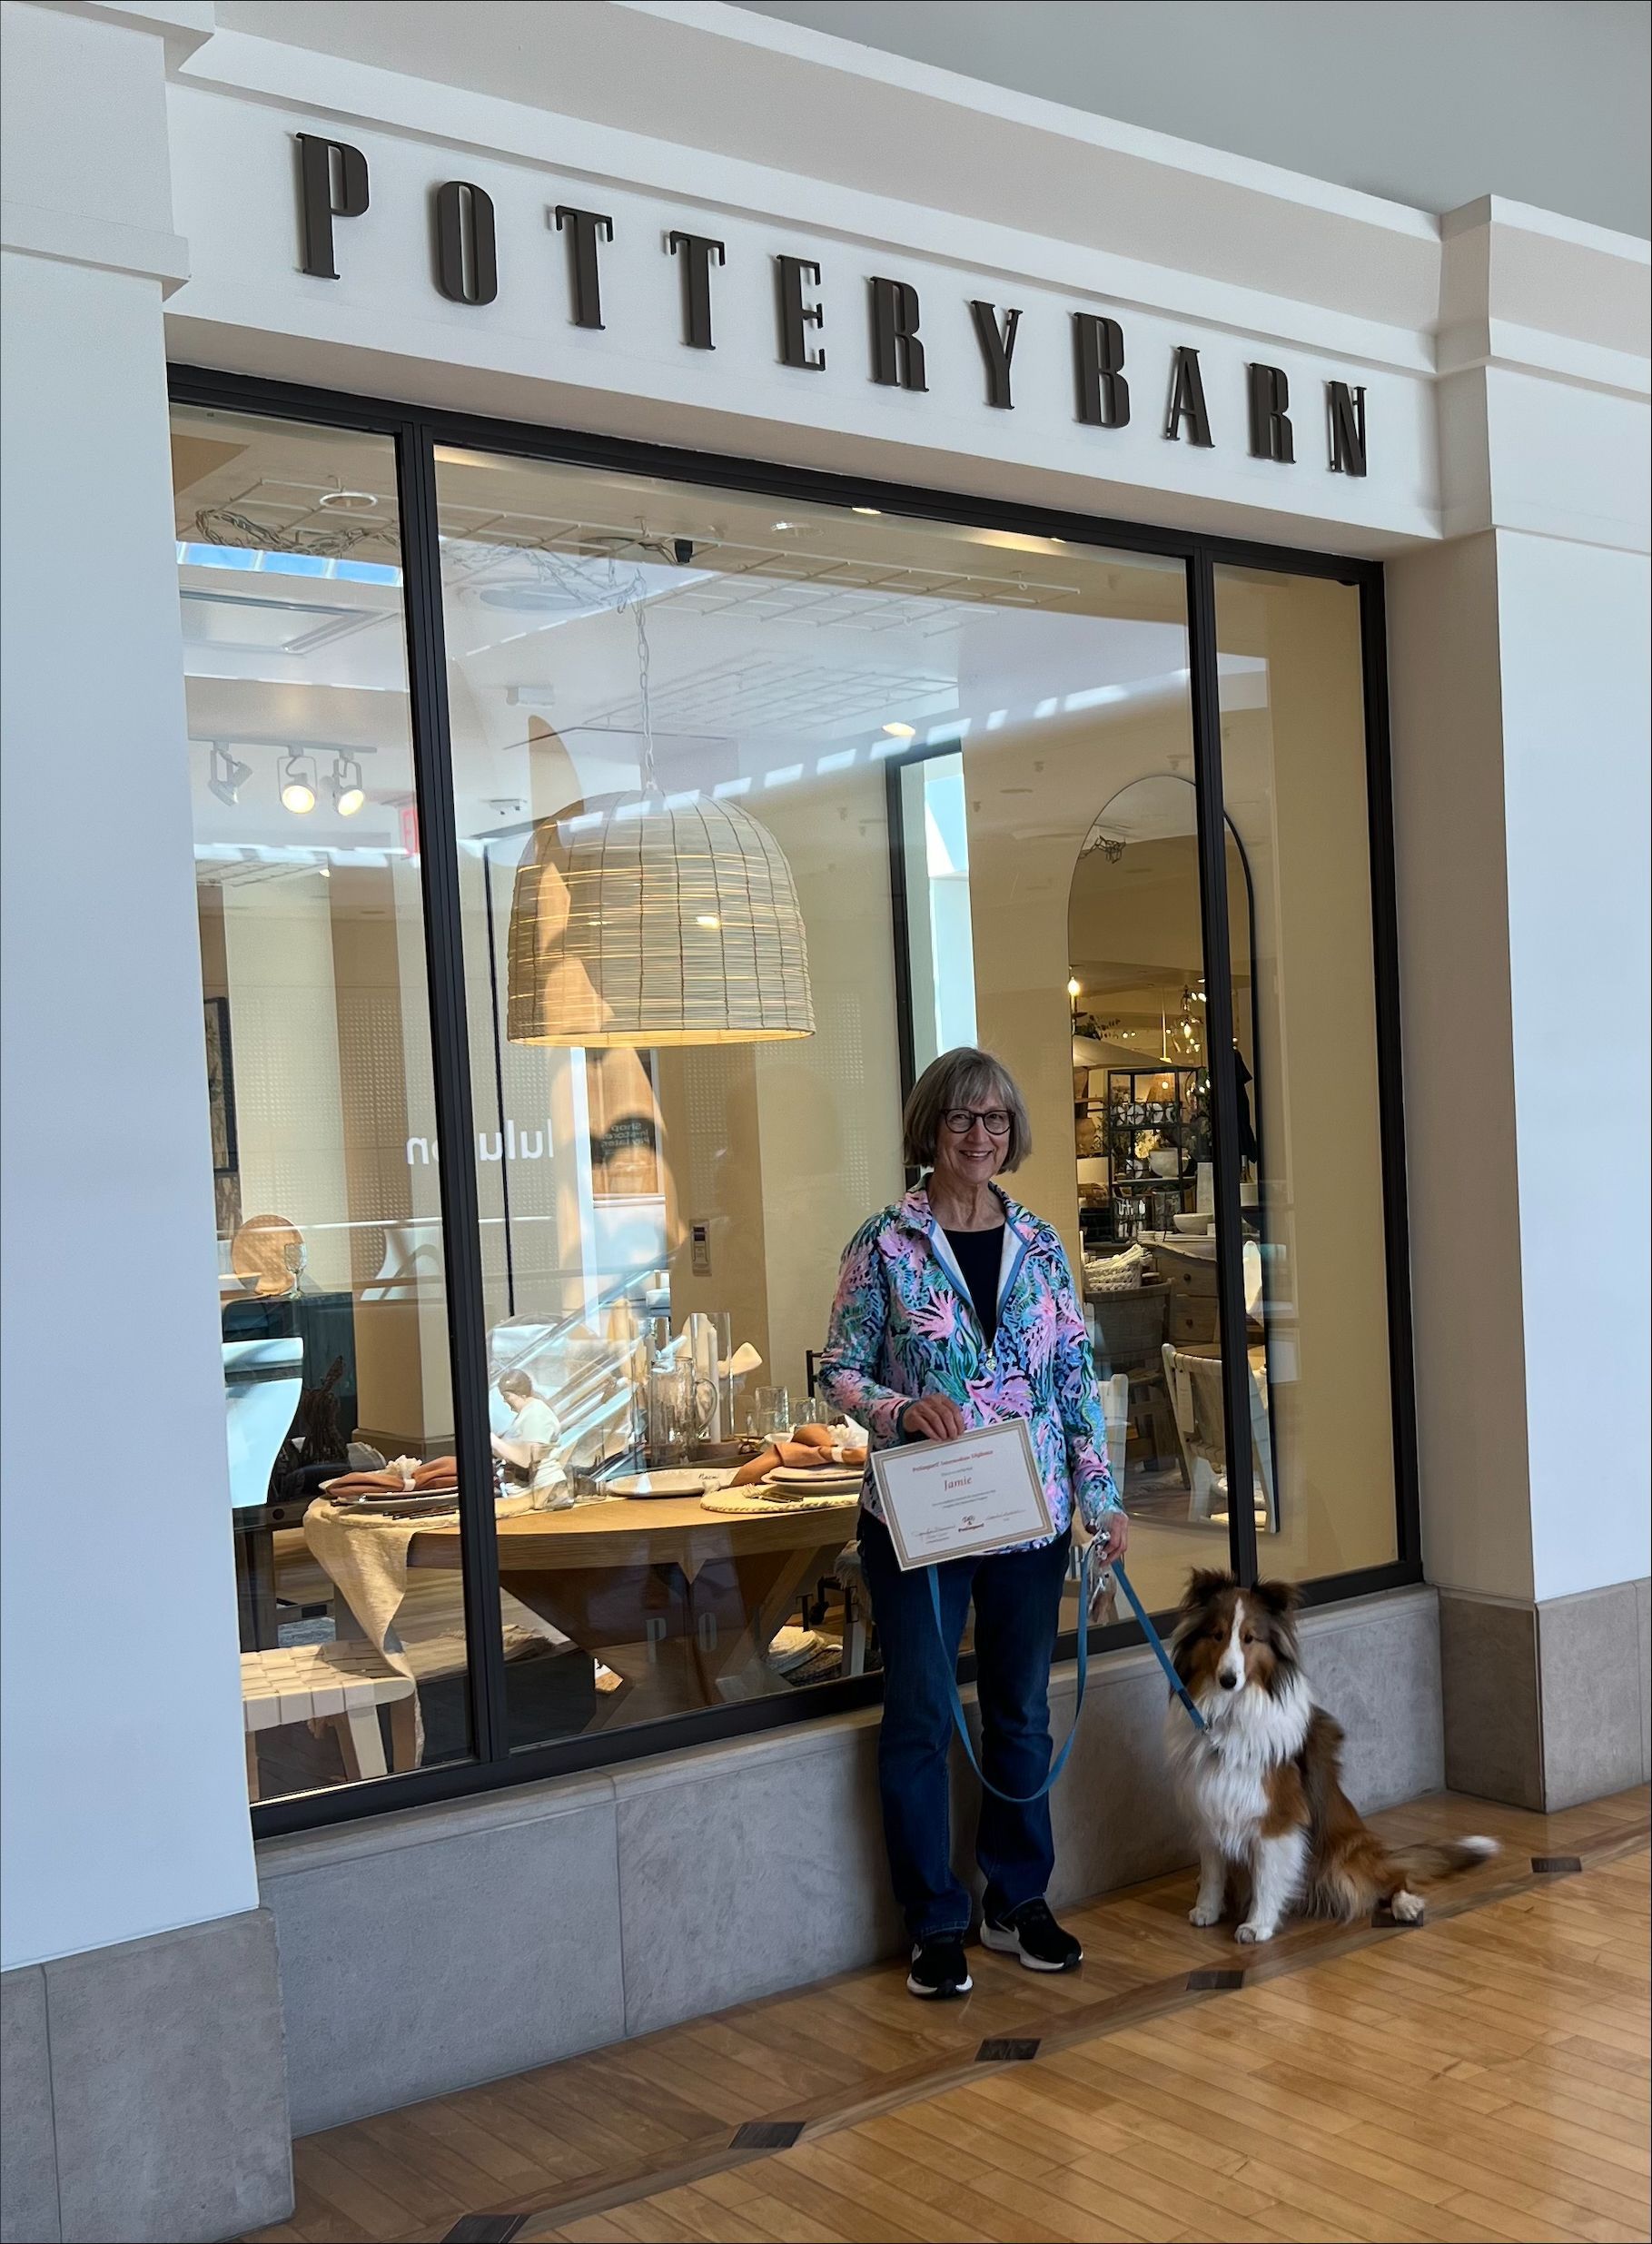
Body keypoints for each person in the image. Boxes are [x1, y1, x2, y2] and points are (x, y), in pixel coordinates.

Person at [819, 1046, 1128, 1999]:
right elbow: (835, 1366)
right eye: (961, 1119)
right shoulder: (884, 1241)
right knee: (918, 1712)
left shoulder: (1038, 1242)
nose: (979, 1135)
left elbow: (1073, 1381)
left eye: (995, 1120)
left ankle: (1014, 1900)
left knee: (1019, 1713)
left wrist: (1099, 1499)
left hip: (1027, 1519)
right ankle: (933, 1917)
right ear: (931, 1129)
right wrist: (899, 1409)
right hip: (919, 1514)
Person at [490, 1369, 567, 1505]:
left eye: (507, 1395)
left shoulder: (536, 1414)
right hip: (531, 1492)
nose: (504, 1400)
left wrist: (494, 1441)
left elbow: (528, 1458)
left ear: (522, 1393)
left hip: (543, 1491)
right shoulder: (527, 1414)